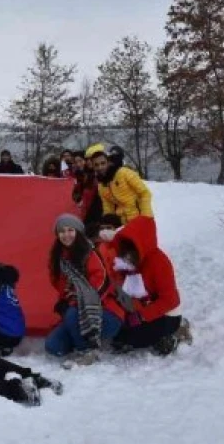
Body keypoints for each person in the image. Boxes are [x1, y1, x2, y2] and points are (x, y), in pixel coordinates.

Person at [44, 214, 124, 364]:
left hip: (105, 313)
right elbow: (62, 288)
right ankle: (81, 337)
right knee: (53, 346)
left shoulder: (90, 253)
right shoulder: (58, 258)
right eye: (61, 231)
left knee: (72, 313)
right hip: (75, 315)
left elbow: (102, 283)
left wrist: (74, 304)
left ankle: (88, 351)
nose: (66, 235)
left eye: (70, 230)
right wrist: (63, 302)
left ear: (78, 232)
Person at [110, 217, 191, 355]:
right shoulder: (127, 262)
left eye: (132, 246)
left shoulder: (159, 262)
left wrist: (142, 315)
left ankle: (176, 332)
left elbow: (171, 300)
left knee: (136, 339)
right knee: (118, 336)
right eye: (125, 246)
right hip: (138, 309)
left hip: (165, 314)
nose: (126, 251)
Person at [86, 144, 153, 224]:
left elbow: (144, 193)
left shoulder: (124, 173)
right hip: (123, 221)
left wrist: (146, 217)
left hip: (139, 218)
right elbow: (108, 206)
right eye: (96, 165)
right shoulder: (101, 185)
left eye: (103, 163)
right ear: (93, 167)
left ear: (108, 162)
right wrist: (108, 222)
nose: (100, 167)